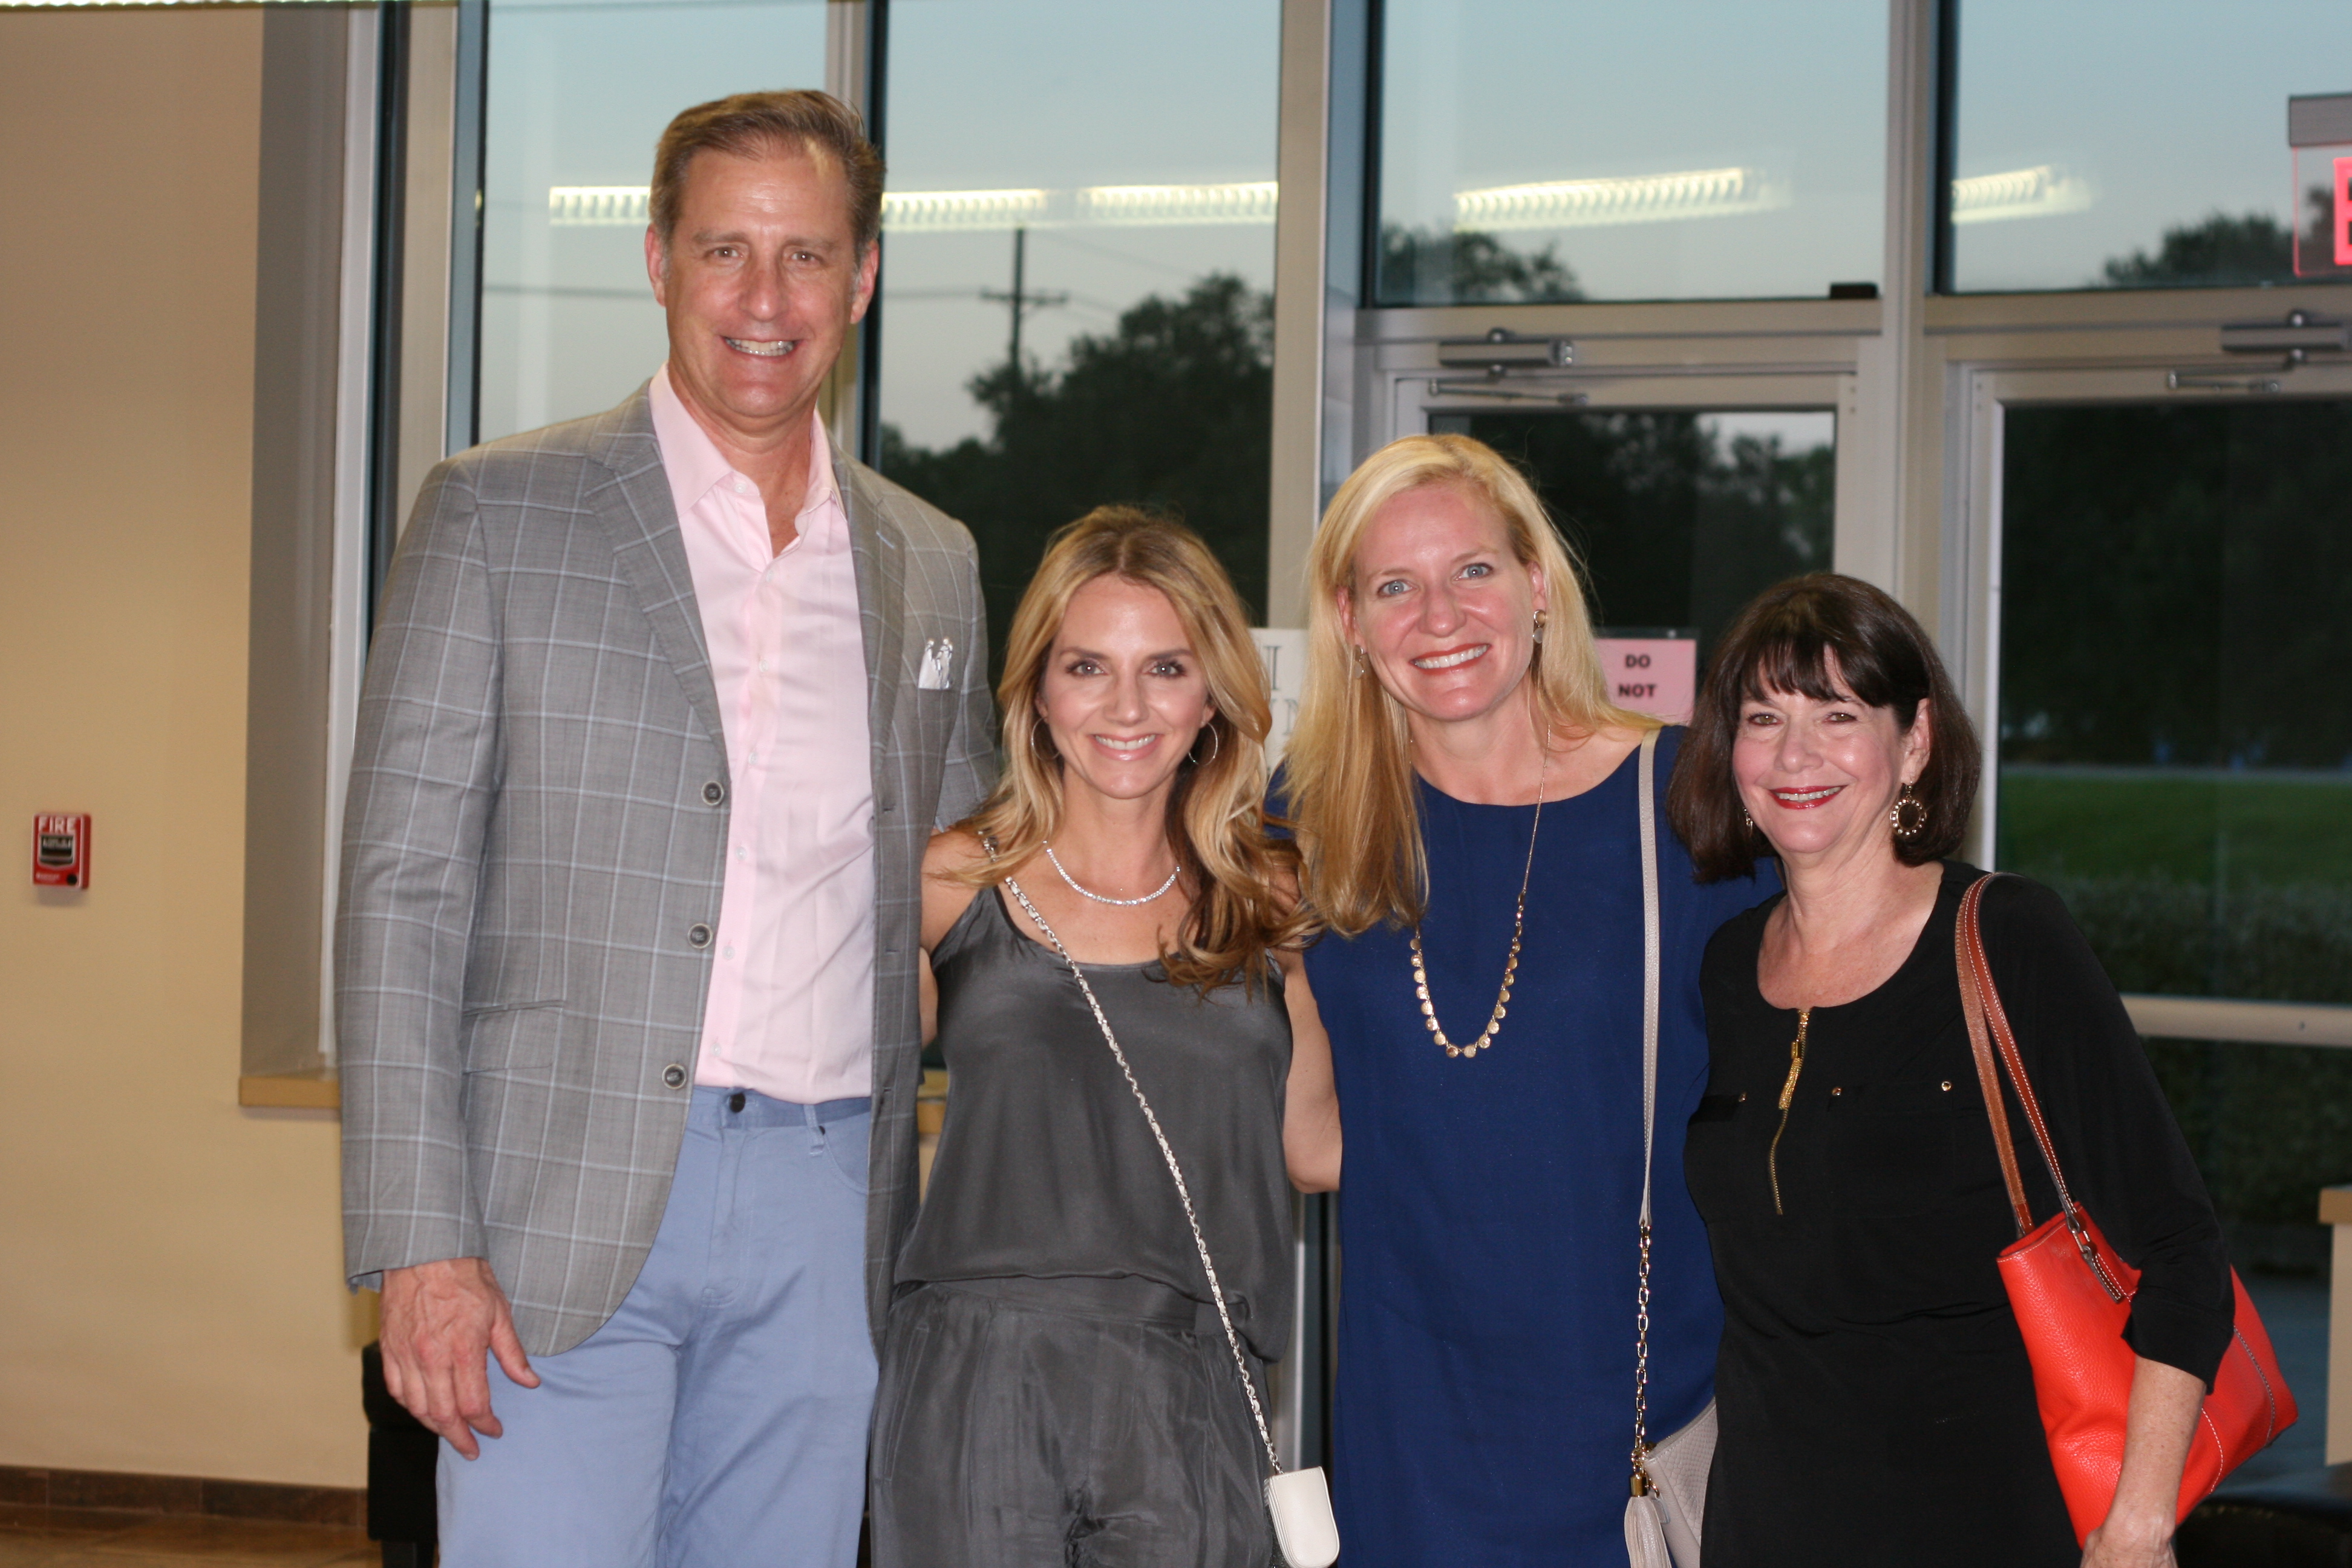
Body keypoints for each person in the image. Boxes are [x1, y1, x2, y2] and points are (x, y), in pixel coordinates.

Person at [338, 91, 993, 1568]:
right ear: (657, 261)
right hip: (554, 1211)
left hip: (829, 1209)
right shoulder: (497, 515)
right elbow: (399, 894)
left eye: (806, 255)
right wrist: (421, 1239)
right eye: (724, 250)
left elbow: (965, 882)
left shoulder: (931, 560)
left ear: (862, 279)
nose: (766, 299)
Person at [1668, 572, 2233, 1568]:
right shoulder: (1725, 965)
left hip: (1985, 1520)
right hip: (1766, 1523)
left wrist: (2139, 1526)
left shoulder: (2006, 938)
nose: (1795, 754)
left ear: (1915, 741)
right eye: (1764, 718)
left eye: (1838, 715)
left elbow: (2181, 1250)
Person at [1278, 434, 1772, 1565]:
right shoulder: (1309, 822)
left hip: (1637, 1431)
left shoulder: (1687, 804)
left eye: (1474, 570)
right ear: (1350, 624)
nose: (1439, 616)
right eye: (1394, 587)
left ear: (1538, 586)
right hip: (1409, 1430)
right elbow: (1317, 1143)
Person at [871, 507, 1338, 1568]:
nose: (1127, 707)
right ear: (1038, 693)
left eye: (1165, 668)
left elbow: (1317, 1149)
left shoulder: (1274, 899)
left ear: (1212, 694)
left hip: (1197, 1381)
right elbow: (840, 1100)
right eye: (1088, 667)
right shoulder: (951, 880)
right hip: (974, 1377)